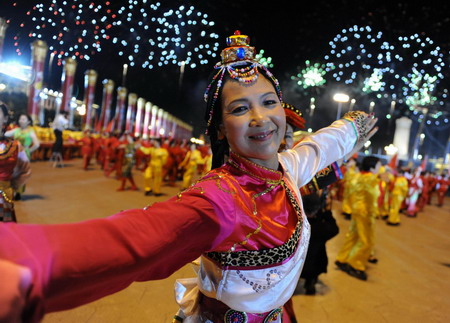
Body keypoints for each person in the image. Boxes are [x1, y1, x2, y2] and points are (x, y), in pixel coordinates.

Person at [0, 31, 377, 323]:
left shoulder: (285, 171)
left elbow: (315, 150)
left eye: (269, 102)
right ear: (220, 130)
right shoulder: (222, 199)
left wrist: (352, 128)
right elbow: (129, 241)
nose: (261, 119)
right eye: (241, 108)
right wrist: (22, 264)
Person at [335, 156, 381, 281]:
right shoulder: (372, 179)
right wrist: (374, 212)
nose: (380, 168)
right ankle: (355, 264)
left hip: (356, 209)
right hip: (365, 212)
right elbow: (373, 197)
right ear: (372, 168)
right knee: (366, 240)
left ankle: (342, 258)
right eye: (378, 166)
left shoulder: (357, 176)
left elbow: (349, 191)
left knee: (353, 235)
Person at [0, 103, 31, 222]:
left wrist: (10, 186)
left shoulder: (15, 146)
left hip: (3, 198)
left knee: (4, 234)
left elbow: (25, 170)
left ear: (6, 119)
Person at [4, 113, 39, 200]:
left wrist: (29, 151)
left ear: (28, 122)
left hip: (24, 155)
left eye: (23, 119)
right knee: (12, 171)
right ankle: (12, 190)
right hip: (14, 152)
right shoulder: (16, 130)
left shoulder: (30, 132)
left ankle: (18, 192)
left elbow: (37, 144)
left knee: (21, 173)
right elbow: (5, 134)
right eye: (20, 119)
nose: (21, 120)